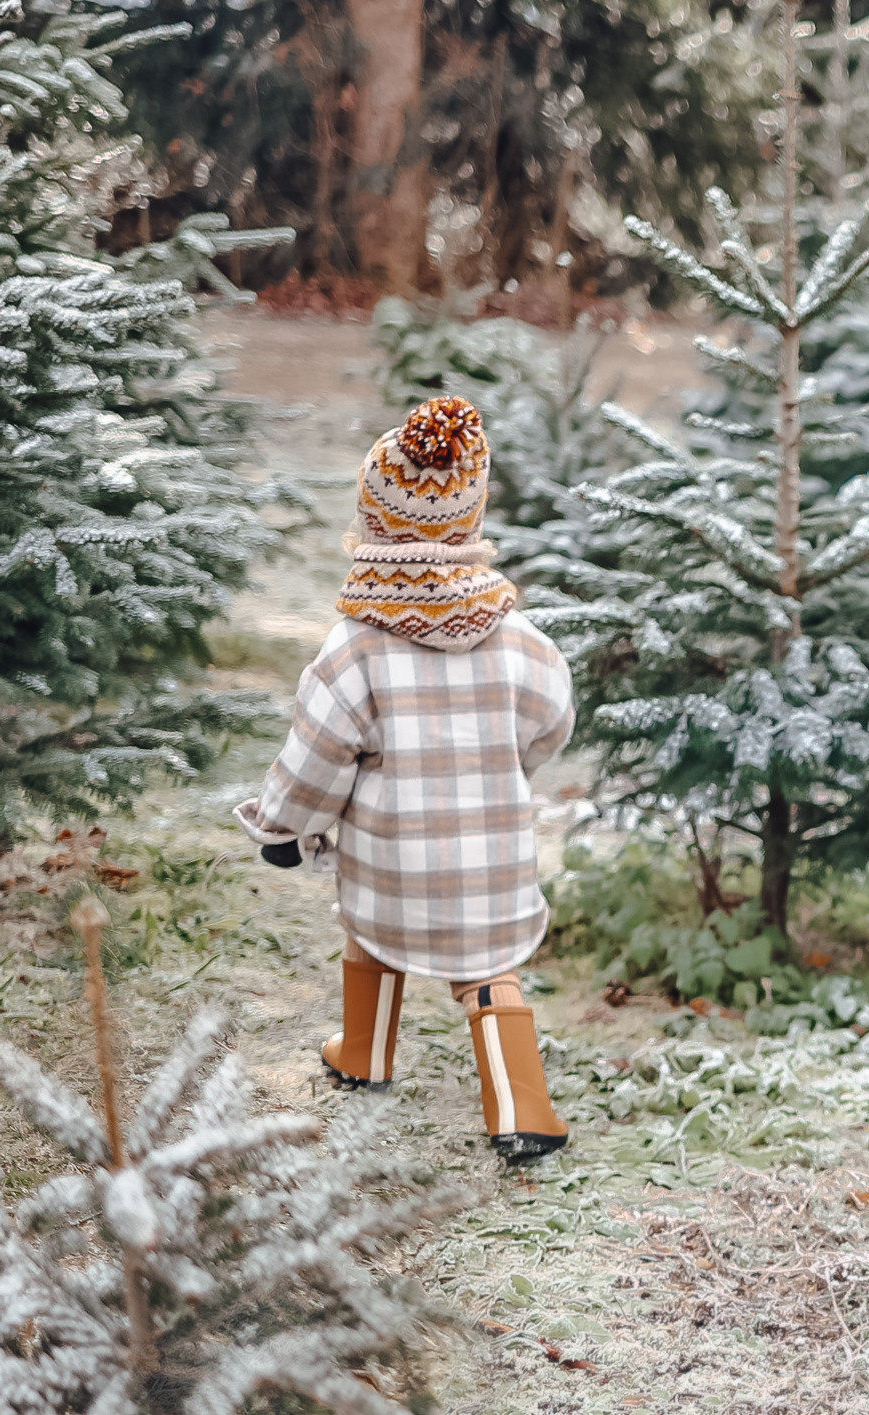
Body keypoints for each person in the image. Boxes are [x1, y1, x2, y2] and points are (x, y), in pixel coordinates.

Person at [234, 396, 576, 1164]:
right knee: (489, 974)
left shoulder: (354, 648)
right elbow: (553, 720)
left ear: (373, 521)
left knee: (369, 935)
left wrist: (282, 826)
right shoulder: (518, 639)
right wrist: (508, 765)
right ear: (472, 517)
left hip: (390, 863)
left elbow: (317, 754)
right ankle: (522, 1108)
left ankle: (364, 1051)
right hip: (490, 864)